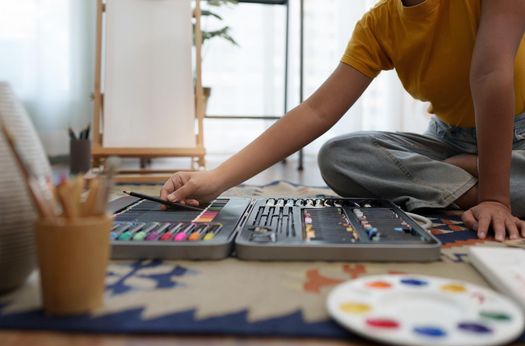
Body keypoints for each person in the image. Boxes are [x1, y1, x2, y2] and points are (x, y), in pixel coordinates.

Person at [161, 0, 525, 241]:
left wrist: (496, 198)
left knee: (500, 185)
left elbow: (490, 74)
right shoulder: (378, 24)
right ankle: (476, 174)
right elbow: (316, 112)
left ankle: (473, 179)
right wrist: (215, 179)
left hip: (518, 134)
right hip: (447, 140)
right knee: (340, 155)